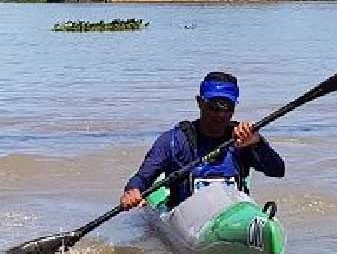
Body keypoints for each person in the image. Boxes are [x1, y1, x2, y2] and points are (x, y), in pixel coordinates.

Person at [120, 71, 285, 210]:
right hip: (187, 221)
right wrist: (132, 191)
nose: (220, 114)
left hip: (232, 215)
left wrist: (258, 144)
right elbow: (142, 177)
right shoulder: (174, 141)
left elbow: (278, 171)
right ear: (200, 103)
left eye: (227, 107)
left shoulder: (244, 138)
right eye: (214, 106)